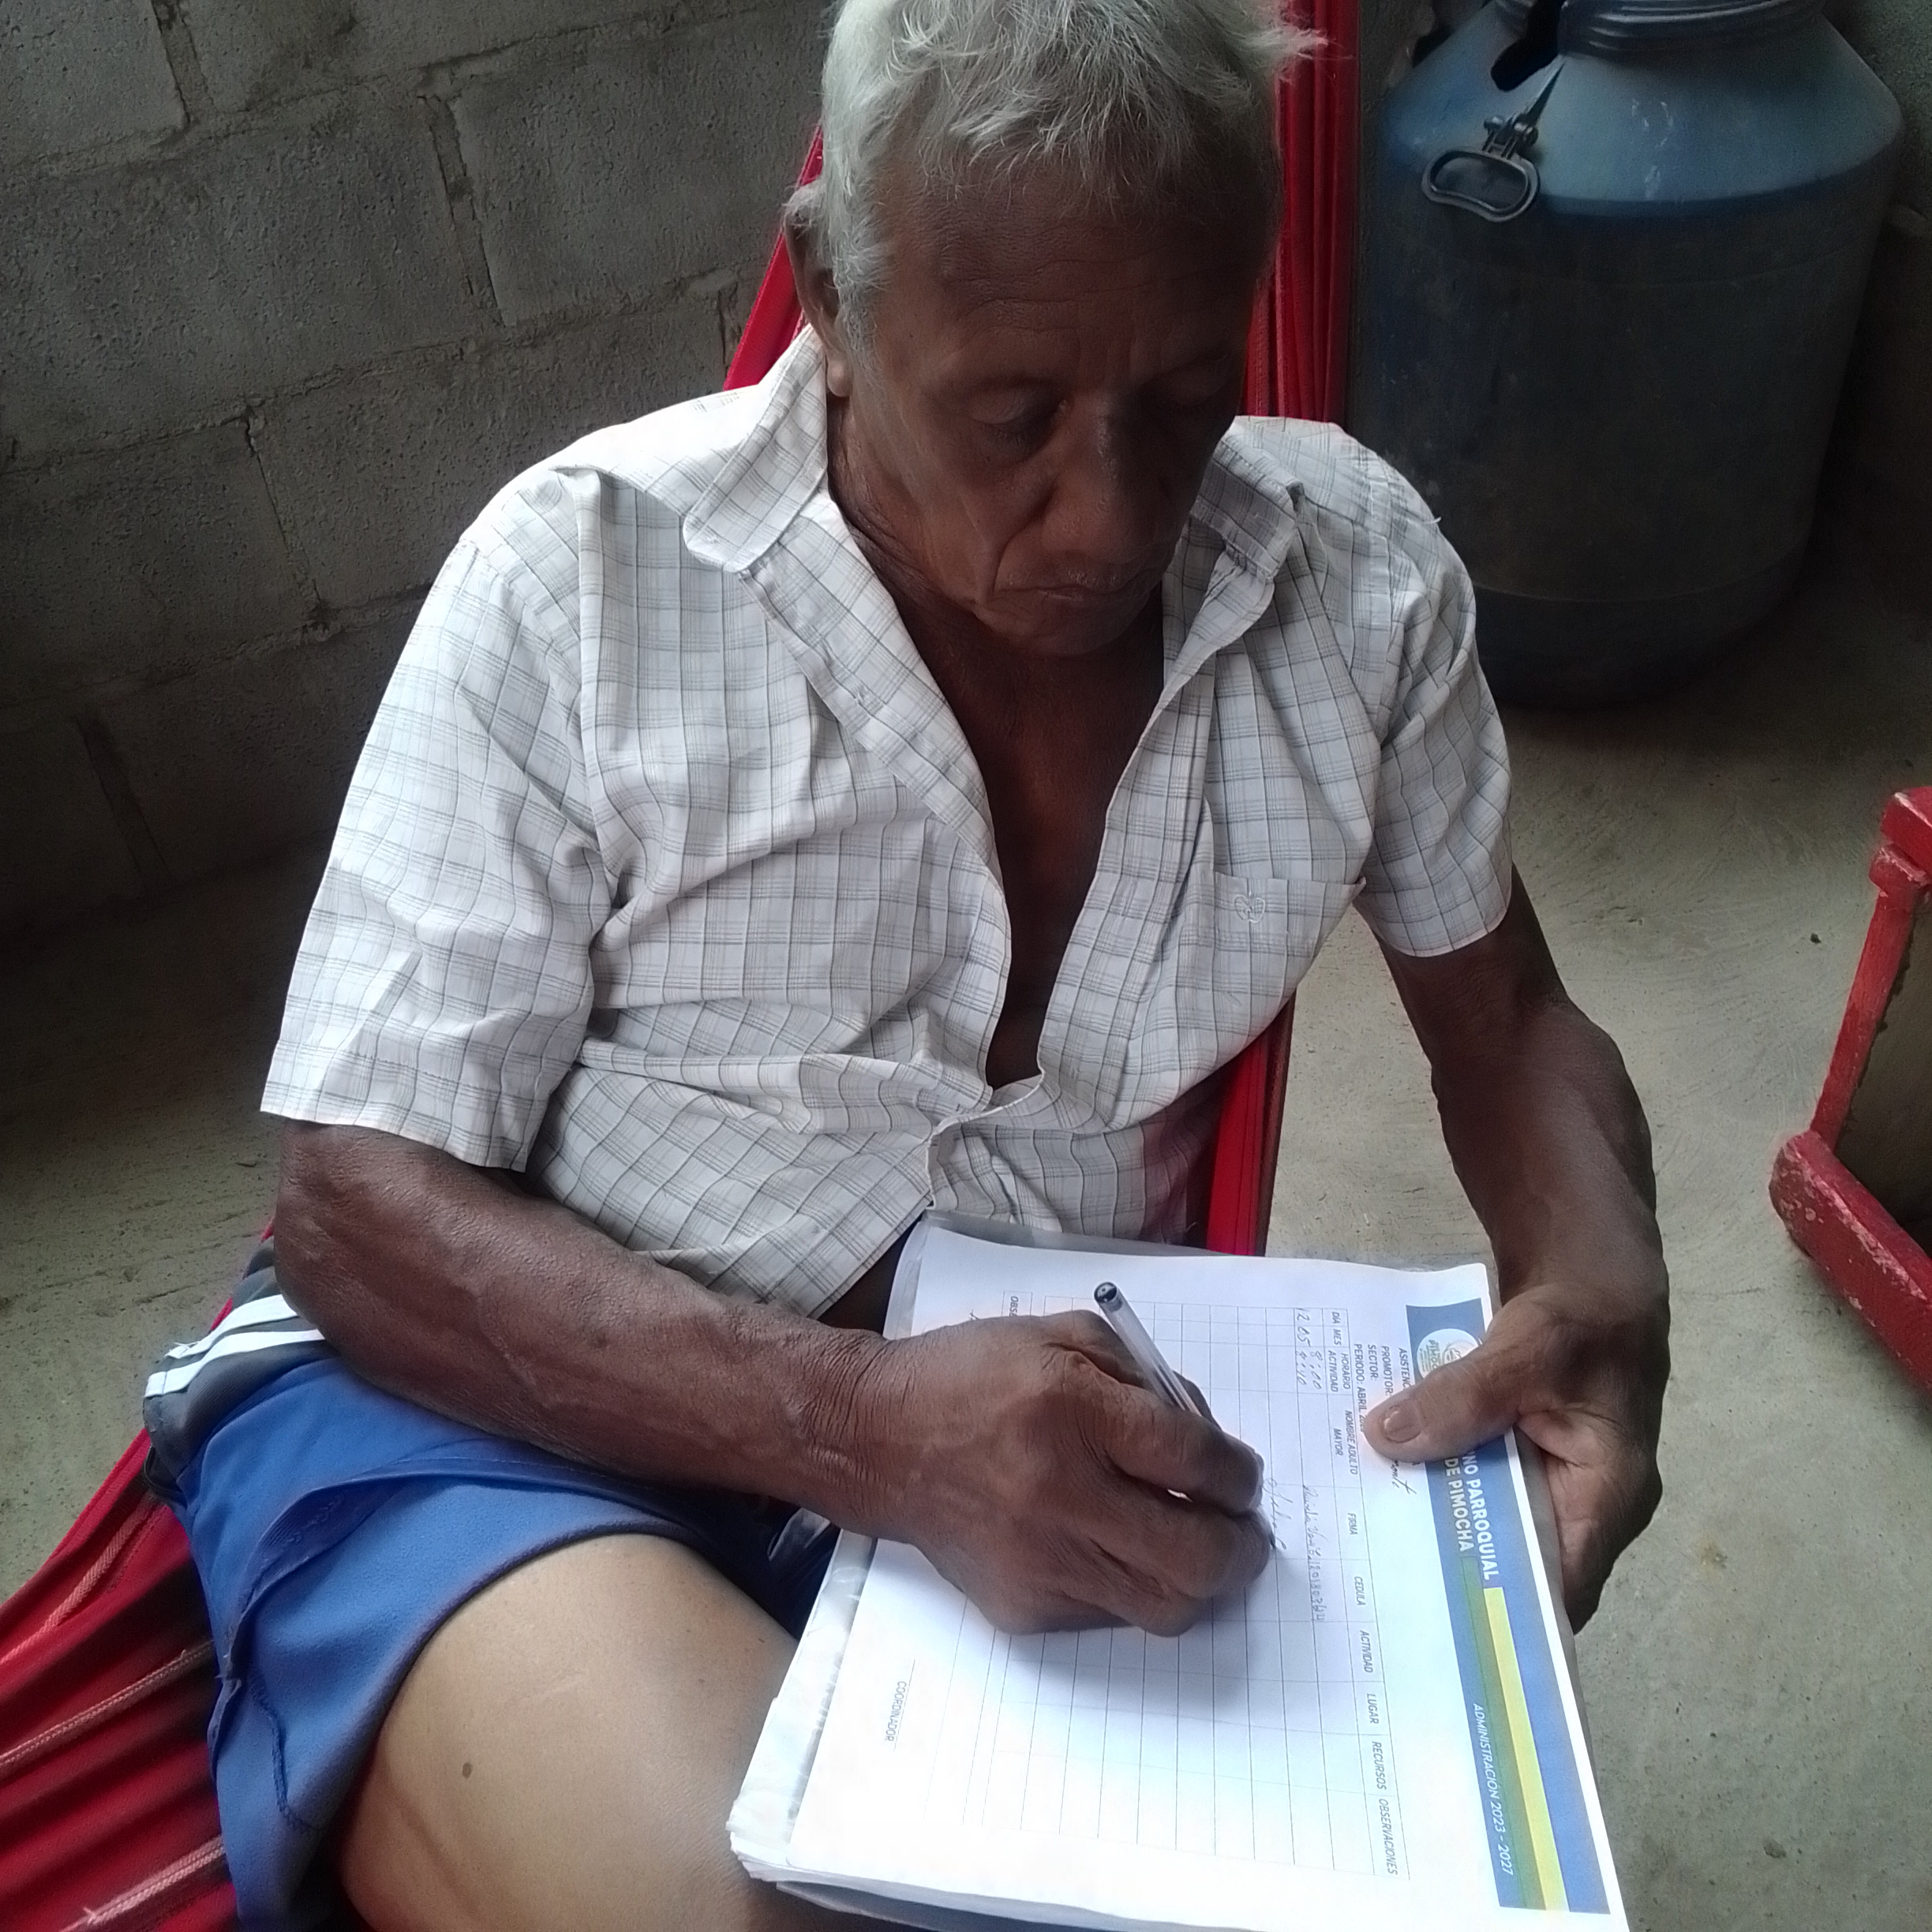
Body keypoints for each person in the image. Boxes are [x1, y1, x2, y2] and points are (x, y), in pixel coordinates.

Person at [144, 0, 1669, 1926]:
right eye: (1011, 416)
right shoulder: (584, 578)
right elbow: (355, 1211)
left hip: (1029, 1463)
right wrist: (857, 1427)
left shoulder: (1354, 587)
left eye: (1182, 402)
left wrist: (1605, 1279)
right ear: (829, 300)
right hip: (498, 1404)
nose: (1110, 514)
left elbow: (1507, 1022)